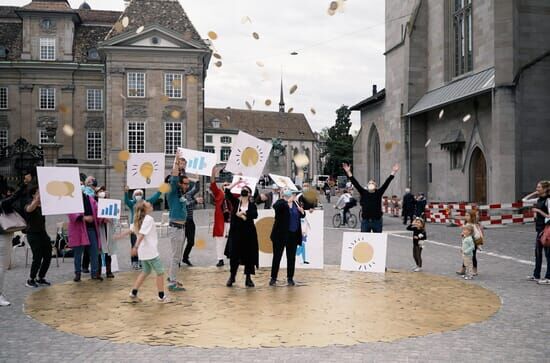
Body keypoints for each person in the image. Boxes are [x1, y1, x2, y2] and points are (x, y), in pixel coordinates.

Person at [128, 201, 168, 302]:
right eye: (148, 204)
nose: (150, 204)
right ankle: (161, 295)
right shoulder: (148, 219)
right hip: (150, 251)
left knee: (145, 271)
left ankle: (133, 292)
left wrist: (118, 236)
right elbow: (142, 234)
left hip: (143, 252)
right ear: (145, 209)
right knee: (160, 272)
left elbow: (130, 230)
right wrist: (135, 247)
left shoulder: (138, 219)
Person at [343, 162, 400, 232]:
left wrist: (393, 172)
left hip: (377, 221)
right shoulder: (363, 192)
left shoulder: (378, 193)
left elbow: (386, 183)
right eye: (369, 183)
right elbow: (355, 183)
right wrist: (348, 172)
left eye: (373, 183)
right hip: (366, 221)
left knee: (377, 240)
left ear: (375, 186)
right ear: (367, 186)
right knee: (364, 240)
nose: (371, 184)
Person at [224, 184, 259, 288]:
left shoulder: (252, 205)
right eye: (243, 190)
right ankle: (232, 276)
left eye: (246, 191)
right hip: (236, 234)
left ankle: (248, 278)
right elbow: (227, 191)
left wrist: (244, 213)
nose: (244, 192)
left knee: (249, 256)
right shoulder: (236, 202)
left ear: (249, 194)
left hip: (248, 234)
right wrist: (237, 182)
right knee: (234, 256)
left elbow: (255, 215)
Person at [270, 189, 306, 286]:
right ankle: (273, 277)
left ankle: (290, 277)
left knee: (291, 258)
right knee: (277, 257)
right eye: (291, 194)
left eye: (294, 194)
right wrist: (287, 201)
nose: (293, 195)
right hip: (280, 235)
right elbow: (276, 207)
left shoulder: (296, 203)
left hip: (293, 235)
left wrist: (302, 212)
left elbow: (302, 215)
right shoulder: (280, 203)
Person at [0, 185, 26, 306]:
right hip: (2, 237)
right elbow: (14, 198)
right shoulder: (3, 204)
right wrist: (24, 185)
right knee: (1, 267)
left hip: (4, 238)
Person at [124, 186, 161, 270]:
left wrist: (160, 190)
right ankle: (134, 261)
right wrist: (126, 192)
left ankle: (142, 261)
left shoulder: (146, 202)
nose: (138, 195)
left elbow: (155, 197)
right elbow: (126, 201)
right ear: (133, 196)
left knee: (143, 244)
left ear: (142, 195)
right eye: (136, 194)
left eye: (140, 194)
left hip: (144, 226)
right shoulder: (132, 203)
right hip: (134, 227)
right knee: (134, 243)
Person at [68, 191, 102, 282]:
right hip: (79, 230)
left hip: (91, 229)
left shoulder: (90, 199)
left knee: (94, 252)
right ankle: (77, 273)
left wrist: (103, 218)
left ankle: (95, 273)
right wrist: (84, 218)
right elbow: (70, 213)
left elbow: (97, 210)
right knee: (78, 253)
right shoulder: (72, 200)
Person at [166, 155, 188, 292]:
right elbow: (174, 177)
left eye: (187, 183)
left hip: (181, 227)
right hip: (176, 228)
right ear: (179, 184)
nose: (187, 185)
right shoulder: (173, 191)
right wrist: (176, 162)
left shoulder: (181, 194)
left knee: (177, 256)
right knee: (175, 257)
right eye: (185, 183)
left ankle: (172, 277)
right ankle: (172, 282)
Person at [23, 187, 52, 287]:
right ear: (33, 195)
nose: (41, 194)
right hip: (32, 234)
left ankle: (41, 277)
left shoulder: (42, 206)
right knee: (37, 257)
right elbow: (29, 209)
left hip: (42, 233)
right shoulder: (28, 203)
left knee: (48, 255)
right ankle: (31, 279)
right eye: (38, 192)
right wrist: (37, 199)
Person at [523, 180, 550, 284]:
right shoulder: (539, 199)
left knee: (548, 254)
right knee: (538, 254)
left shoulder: (548, 200)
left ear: (545, 189)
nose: (537, 189)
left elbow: (549, 216)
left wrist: (538, 211)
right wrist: (535, 193)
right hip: (539, 229)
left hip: (546, 230)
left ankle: (548, 277)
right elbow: (524, 200)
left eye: (539, 187)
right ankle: (536, 275)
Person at [210, 166, 230, 267]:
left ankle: (235, 257)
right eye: (224, 185)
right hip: (221, 221)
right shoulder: (219, 193)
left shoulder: (233, 194)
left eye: (228, 185)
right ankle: (220, 259)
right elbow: (213, 184)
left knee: (234, 239)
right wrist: (213, 173)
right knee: (219, 241)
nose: (226, 186)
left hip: (231, 220)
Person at [181, 175, 202, 267]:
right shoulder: (178, 196)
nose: (187, 187)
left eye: (188, 185)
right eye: (185, 185)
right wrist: (196, 201)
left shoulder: (189, 194)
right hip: (181, 222)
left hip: (190, 221)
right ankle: (176, 260)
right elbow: (187, 205)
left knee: (191, 242)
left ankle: (185, 258)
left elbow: (196, 189)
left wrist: (197, 180)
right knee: (180, 242)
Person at [97, 186, 117, 278]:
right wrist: (102, 219)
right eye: (100, 191)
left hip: (108, 229)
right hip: (100, 229)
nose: (102, 192)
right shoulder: (95, 203)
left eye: (103, 191)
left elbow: (115, 217)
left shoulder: (111, 203)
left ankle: (109, 271)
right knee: (99, 251)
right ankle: (98, 271)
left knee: (108, 251)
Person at [456, 210, 484, 276]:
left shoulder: (473, 225)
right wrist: (463, 234)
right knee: (465, 256)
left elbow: (477, 235)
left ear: (472, 217)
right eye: (465, 215)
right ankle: (463, 269)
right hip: (466, 243)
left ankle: (475, 270)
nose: (466, 217)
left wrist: (470, 237)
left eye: (468, 215)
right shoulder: (466, 224)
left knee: (473, 256)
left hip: (472, 244)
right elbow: (465, 233)